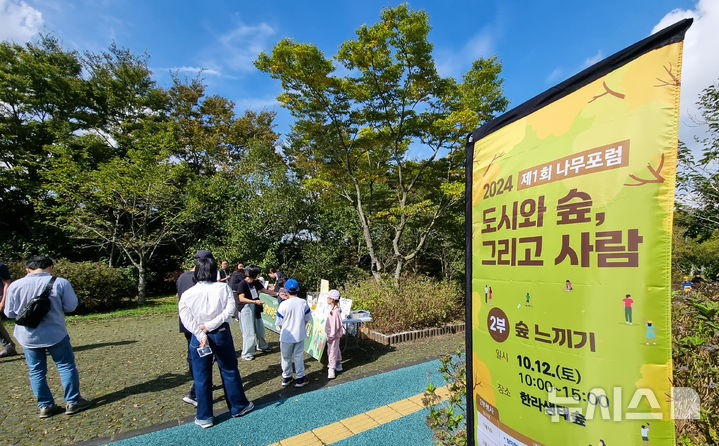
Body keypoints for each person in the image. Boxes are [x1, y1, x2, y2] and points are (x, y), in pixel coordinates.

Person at [3, 256, 91, 417]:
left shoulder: (15, 285)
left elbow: (9, 313)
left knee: (36, 371)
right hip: (55, 332)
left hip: (27, 336)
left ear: (27, 269)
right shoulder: (61, 282)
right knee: (65, 366)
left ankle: (45, 406)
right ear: (50, 267)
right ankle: (73, 401)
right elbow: (71, 307)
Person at [178, 256, 254, 428]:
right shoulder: (222, 288)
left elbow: (185, 317)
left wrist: (200, 332)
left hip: (198, 338)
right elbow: (230, 310)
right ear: (214, 271)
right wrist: (210, 326)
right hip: (220, 333)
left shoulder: (188, 294)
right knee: (229, 369)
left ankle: (204, 417)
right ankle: (238, 406)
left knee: (201, 376)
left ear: (196, 272)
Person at [176, 250, 217, 407]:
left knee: (193, 355)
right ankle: (196, 392)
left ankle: (198, 387)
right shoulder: (198, 279)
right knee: (206, 357)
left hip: (186, 324)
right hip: (201, 326)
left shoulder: (182, 277)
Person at [236, 265, 278, 360]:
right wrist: (255, 302)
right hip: (246, 308)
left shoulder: (256, 282)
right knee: (248, 331)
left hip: (256, 307)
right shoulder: (242, 284)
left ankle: (262, 346)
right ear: (254, 274)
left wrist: (278, 293)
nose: (259, 275)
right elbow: (241, 298)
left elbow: (264, 290)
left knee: (260, 328)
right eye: (258, 274)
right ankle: (247, 353)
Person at [275, 278, 312, 387]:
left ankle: (286, 377)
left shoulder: (283, 304)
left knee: (285, 357)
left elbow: (279, 322)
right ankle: (300, 378)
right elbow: (307, 318)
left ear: (286, 290)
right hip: (299, 334)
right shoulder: (303, 302)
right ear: (298, 289)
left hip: (286, 335)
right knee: (298, 356)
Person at [325, 289, 344, 379]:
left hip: (333, 335)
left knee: (331, 351)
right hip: (334, 335)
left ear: (332, 299)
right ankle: (338, 364)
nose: (327, 299)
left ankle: (331, 369)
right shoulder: (334, 309)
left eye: (328, 297)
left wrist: (330, 336)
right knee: (336, 349)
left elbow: (334, 326)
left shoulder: (335, 312)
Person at [0, 260, 17, 357]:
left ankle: (9, 347)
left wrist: (3, 301)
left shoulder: (1, 266)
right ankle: (9, 347)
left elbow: (7, 283)